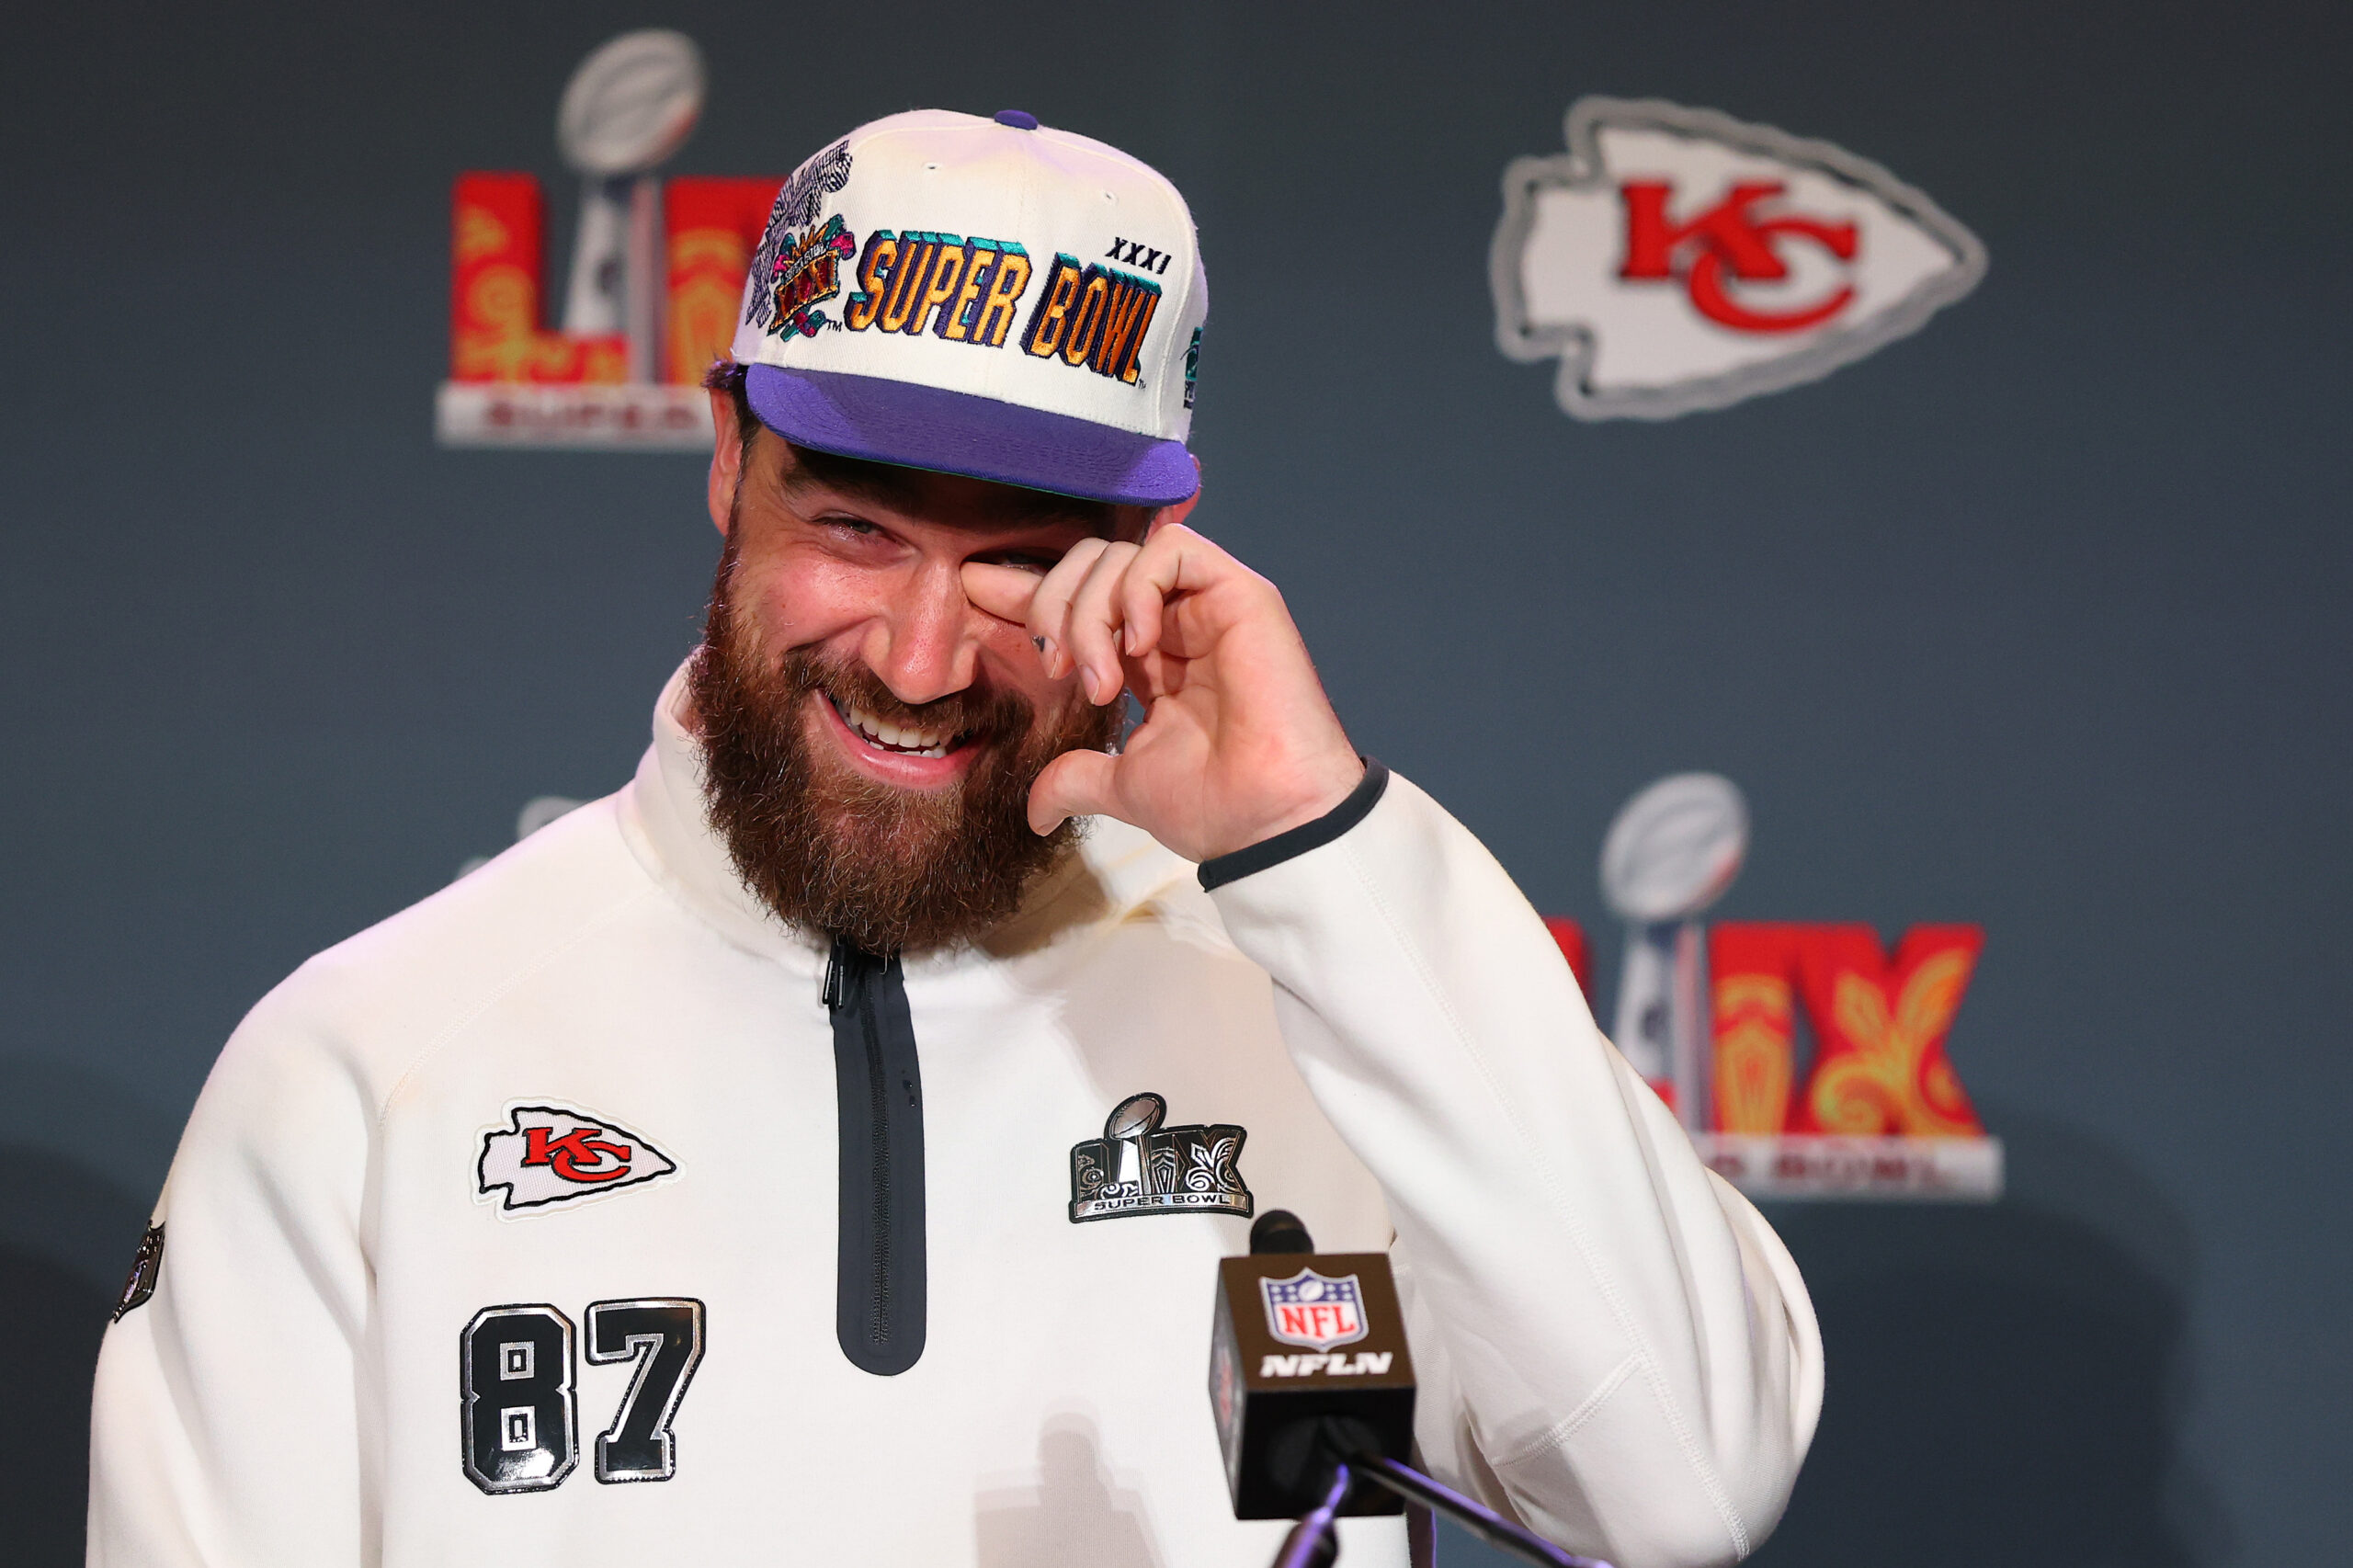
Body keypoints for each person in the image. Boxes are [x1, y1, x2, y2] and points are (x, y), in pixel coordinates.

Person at [87, 109, 1819, 1568]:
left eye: (1015, 559)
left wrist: (1317, 842)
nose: (920, 659)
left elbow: (1684, 1483)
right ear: (725, 459)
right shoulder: (363, 1067)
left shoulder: (1337, 986)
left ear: (1158, 541)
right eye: (854, 525)